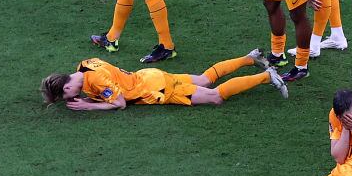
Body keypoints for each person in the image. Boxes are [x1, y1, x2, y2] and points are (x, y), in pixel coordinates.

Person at [41, 49, 287, 110]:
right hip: (148, 76)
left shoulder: (96, 82)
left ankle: (266, 76)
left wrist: (89, 106)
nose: (69, 99)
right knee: (204, 79)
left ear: (67, 85)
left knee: (215, 97)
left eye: (65, 95)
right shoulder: (84, 64)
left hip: (155, 88)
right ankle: (249, 58)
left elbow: (120, 103)